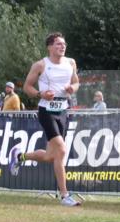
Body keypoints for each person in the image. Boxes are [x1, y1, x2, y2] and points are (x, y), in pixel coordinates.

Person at [8, 33, 82, 207]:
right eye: (58, 44)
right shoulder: (41, 65)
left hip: (62, 110)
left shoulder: (70, 63)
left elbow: (77, 82)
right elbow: (26, 87)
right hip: (46, 111)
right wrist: (41, 94)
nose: (62, 47)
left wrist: (73, 88)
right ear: (49, 47)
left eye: (64, 44)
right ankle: (65, 196)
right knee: (62, 150)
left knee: (51, 156)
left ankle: (20, 156)